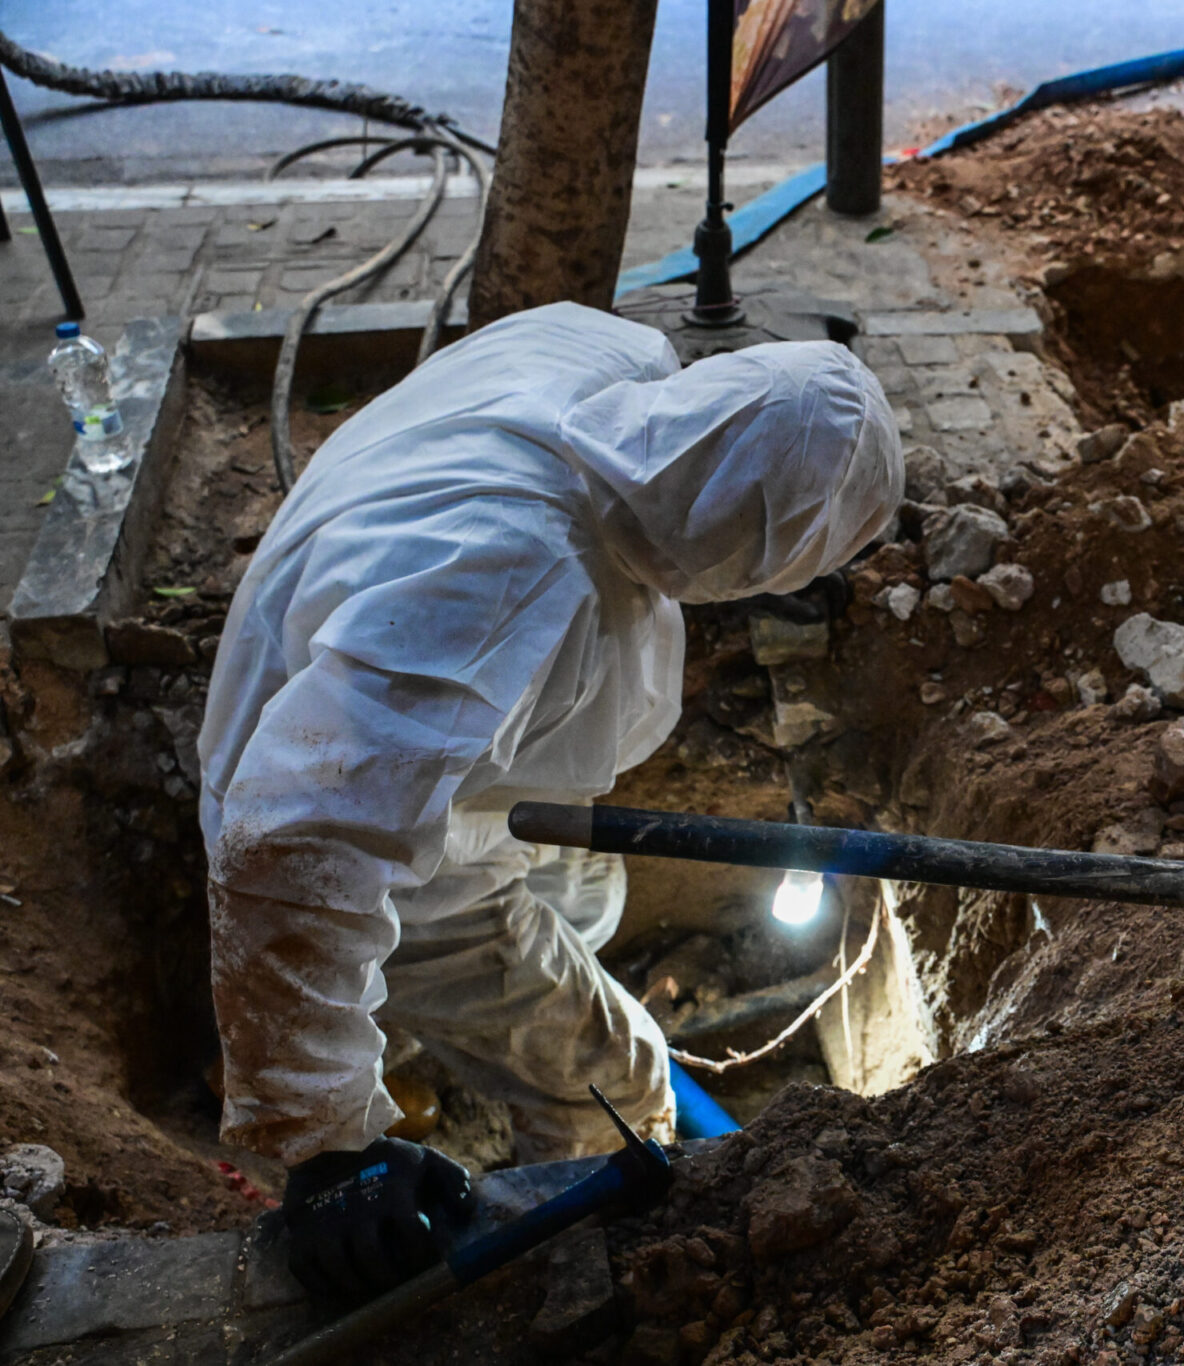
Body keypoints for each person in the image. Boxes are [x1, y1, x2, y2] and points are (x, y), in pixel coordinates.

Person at [197, 302, 903, 1301]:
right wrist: (322, 1142)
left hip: (391, 758)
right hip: (392, 852)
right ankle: (570, 1277)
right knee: (621, 1081)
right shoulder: (501, 585)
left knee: (589, 899)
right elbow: (293, 845)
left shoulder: (600, 356)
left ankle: (392, 1023)